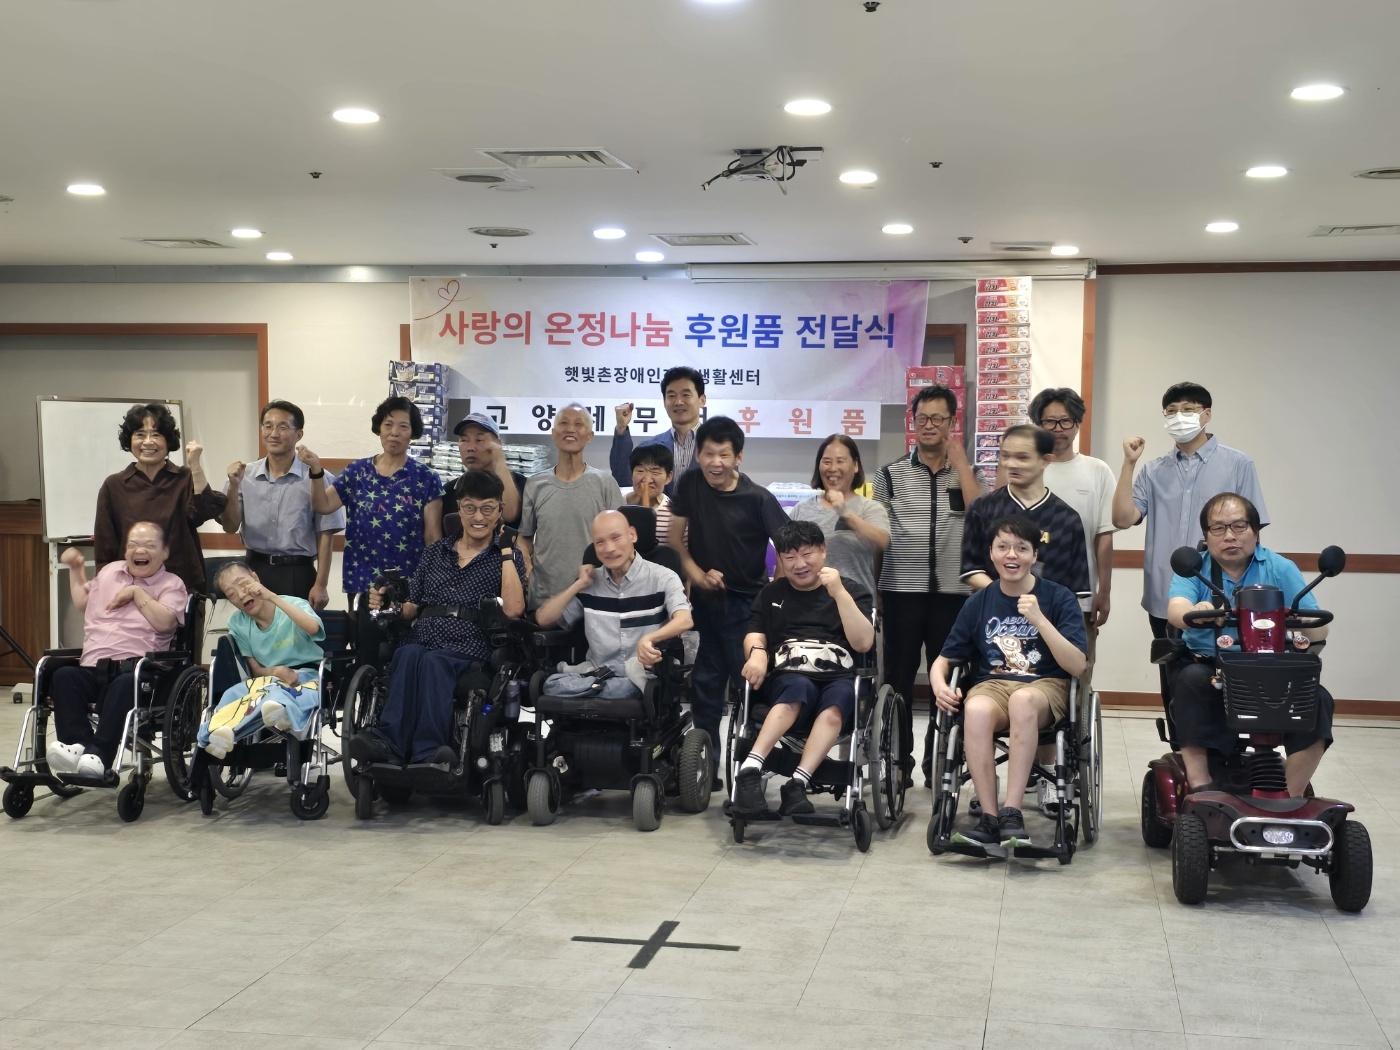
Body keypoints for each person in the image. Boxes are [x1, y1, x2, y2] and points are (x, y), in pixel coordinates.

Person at [348, 471, 526, 766]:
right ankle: (388, 742)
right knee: (407, 654)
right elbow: (413, 606)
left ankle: (429, 750)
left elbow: (514, 609)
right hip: (424, 634)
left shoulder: (506, 557)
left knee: (434, 661)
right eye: (470, 508)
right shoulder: (435, 553)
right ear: (459, 509)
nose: (478, 517)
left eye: (487, 508)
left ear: (499, 511)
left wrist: (506, 550)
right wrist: (393, 605)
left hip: (468, 643)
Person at [931, 515, 1087, 845]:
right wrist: (939, 685)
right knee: (975, 710)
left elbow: (1076, 665)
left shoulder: (1058, 597)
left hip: (1045, 685)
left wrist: (1040, 620)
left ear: (1034, 555)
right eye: (1002, 547)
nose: (1011, 555)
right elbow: (944, 659)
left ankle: (1012, 812)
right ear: (991, 553)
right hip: (993, 685)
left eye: (1021, 548)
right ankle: (990, 817)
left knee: (1022, 700)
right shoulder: (978, 602)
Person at [1166, 493, 1330, 797]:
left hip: (1272, 671)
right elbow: (1176, 610)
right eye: (1218, 528)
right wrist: (1197, 612)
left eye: (1239, 526)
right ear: (1206, 536)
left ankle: (1289, 796)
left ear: (1256, 531)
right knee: (1191, 680)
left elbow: (1319, 627)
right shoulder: (1194, 569)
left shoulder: (1280, 567)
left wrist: (1302, 620)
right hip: (1211, 667)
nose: (1229, 536)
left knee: (1318, 699)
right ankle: (1201, 786)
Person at [668, 415, 789, 783]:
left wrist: (775, 596)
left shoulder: (758, 498)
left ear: (738, 457)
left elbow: (788, 548)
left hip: (747, 606)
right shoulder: (690, 484)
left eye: (724, 454)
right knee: (704, 689)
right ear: (698, 456)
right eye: (708, 453)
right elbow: (674, 541)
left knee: (749, 688)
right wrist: (698, 575)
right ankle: (705, 770)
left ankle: (750, 770)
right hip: (706, 603)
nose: (715, 462)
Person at [873, 384, 982, 788]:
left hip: (955, 596)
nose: (929, 425)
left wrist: (961, 463)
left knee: (949, 683)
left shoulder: (970, 473)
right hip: (901, 591)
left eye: (938, 418)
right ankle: (898, 763)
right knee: (898, 679)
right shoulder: (890, 474)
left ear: (952, 422)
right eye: (922, 418)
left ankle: (941, 761)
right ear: (912, 421)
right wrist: (877, 589)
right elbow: (879, 536)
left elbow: (981, 516)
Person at [732, 520, 876, 817]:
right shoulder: (771, 594)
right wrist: (757, 654)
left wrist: (838, 593)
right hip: (788, 674)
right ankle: (750, 768)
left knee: (837, 705)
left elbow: (863, 643)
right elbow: (754, 633)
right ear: (780, 559)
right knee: (797, 688)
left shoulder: (851, 590)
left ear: (823, 550)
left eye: (807, 554)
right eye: (790, 557)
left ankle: (798, 783)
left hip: (837, 675)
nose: (799, 564)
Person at [1112, 381, 1269, 645]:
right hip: (1163, 592)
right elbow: (1122, 519)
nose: (1178, 417)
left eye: (1187, 409)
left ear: (1206, 415)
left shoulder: (1238, 464)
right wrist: (1129, 463)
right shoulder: (1153, 470)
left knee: (1223, 665)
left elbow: (1253, 531)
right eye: (1171, 411)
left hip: (1221, 592)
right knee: (1169, 668)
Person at [45, 522, 189, 779]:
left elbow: (166, 623)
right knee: (64, 676)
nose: (139, 550)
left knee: (124, 684)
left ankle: (100, 755)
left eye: (149, 545)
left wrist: (136, 593)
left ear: (165, 552)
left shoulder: (172, 584)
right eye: (133, 545)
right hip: (94, 665)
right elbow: (83, 601)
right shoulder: (110, 571)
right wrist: (76, 569)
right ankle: (78, 746)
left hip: (138, 670)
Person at [1030, 388, 1116, 815]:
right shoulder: (1028, 468)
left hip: (1077, 600)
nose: (1058, 429)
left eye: (1066, 421)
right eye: (1049, 421)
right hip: (1026, 600)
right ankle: (1034, 767)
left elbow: (1103, 535)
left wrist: (1105, 591)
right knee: (1026, 678)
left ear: (1078, 424)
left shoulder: (1096, 471)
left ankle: (1068, 766)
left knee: (1074, 683)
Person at [535, 510, 692, 699]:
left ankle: (588, 689)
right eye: (600, 542)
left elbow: (684, 619)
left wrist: (649, 639)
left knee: (626, 688)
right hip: (598, 672)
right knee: (545, 684)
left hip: (642, 674)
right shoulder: (590, 583)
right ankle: (595, 688)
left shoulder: (663, 577)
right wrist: (578, 585)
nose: (609, 548)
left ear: (632, 535)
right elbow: (543, 619)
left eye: (616, 538)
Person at [299, 395, 444, 595]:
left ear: (413, 432)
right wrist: (316, 470)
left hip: (409, 583)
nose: (394, 432)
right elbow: (323, 505)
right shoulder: (357, 471)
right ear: (379, 428)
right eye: (388, 424)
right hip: (362, 580)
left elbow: (433, 538)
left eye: (403, 426)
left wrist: (432, 586)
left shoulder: (426, 477)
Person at [196, 561, 327, 760]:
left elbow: (313, 628)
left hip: (309, 674)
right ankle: (215, 733)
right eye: (231, 594)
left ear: (256, 578)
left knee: (277, 692)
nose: (241, 595)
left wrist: (271, 596)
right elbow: (255, 670)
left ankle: (278, 710)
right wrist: (275, 671)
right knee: (234, 693)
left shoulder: (294, 603)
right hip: (269, 678)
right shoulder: (237, 623)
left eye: (243, 584)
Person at [220, 400, 343, 608]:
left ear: (299, 434)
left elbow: (325, 535)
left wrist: (321, 584)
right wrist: (233, 486)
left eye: (283, 427)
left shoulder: (317, 477)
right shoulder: (243, 475)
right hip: (253, 570)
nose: (273, 434)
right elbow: (230, 527)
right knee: (253, 629)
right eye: (268, 426)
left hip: (298, 573)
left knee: (297, 628)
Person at [94, 403, 225, 594]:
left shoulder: (184, 478)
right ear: (129, 440)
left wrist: (195, 466)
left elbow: (203, 512)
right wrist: (107, 588)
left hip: (183, 584)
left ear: (168, 440)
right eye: (140, 434)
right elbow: (105, 547)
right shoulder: (113, 485)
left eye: (156, 434)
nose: (148, 442)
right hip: (129, 587)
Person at [960, 424, 1091, 601]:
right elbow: (970, 569)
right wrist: (1007, 595)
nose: (1011, 464)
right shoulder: (983, 508)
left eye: (1022, 458)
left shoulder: (1068, 519)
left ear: (1045, 460)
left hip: (1048, 614)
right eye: (1005, 456)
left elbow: (1076, 587)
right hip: (992, 611)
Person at [518, 403, 624, 609]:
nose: (570, 429)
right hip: (544, 598)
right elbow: (525, 538)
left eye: (579, 424)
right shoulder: (535, 484)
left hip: (594, 597)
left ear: (590, 436)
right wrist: (526, 564)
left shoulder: (605, 483)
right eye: (564, 423)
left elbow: (620, 542)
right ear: (553, 433)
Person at [789, 434, 889, 600]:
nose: (833, 468)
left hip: (857, 603)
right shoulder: (801, 508)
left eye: (840, 461)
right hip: (808, 605)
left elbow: (883, 541)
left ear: (855, 465)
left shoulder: (870, 508)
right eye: (827, 461)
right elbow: (786, 556)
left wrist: (845, 514)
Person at [609, 365, 706, 498]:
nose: (678, 402)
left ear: (702, 400)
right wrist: (621, 428)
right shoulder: (651, 446)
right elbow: (623, 479)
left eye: (686, 395)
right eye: (671, 395)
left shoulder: (718, 446)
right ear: (664, 402)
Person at [455, 412, 525, 534]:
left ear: (497, 444)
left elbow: (509, 515)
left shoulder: (520, 484)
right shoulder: (451, 489)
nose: (470, 447)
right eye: (464, 440)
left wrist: (500, 460)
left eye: (479, 440)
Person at [626, 444, 675, 548]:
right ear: (631, 474)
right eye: (640, 471)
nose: (647, 479)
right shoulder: (616, 503)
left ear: (668, 477)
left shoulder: (675, 515)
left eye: (655, 472)